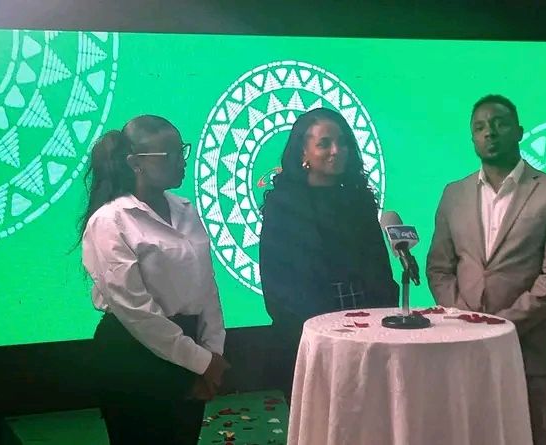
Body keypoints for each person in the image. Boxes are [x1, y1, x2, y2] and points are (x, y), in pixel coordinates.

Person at [426, 95, 546, 445]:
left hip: (529, 348)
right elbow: (439, 267)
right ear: (472, 138)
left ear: (520, 131)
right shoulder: (453, 194)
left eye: (499, 124)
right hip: (462, 344)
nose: (490, 133)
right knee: (464, 435)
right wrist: (464, 318)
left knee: (527, 435)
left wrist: (501, 325)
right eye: (480, 127)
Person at [80, 115, 229, 445]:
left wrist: (213, 351)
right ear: (135, 163)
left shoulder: (185, 210)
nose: (182, 161)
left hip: (190, 348)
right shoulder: (111, 220)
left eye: (182, 151)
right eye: (169, 155)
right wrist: (201, 361)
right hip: (134, 356)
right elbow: (136, 311)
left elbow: (207, 287)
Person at [259, 107, 399, 400]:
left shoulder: (360, 200)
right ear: (303, 153)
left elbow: (380, 270)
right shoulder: (282, 206)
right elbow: (277, 283)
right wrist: (321, 333)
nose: (337, 151)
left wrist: (380, 324)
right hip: (309, 334)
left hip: (369, 330)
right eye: (324, 143)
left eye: (342, 142)